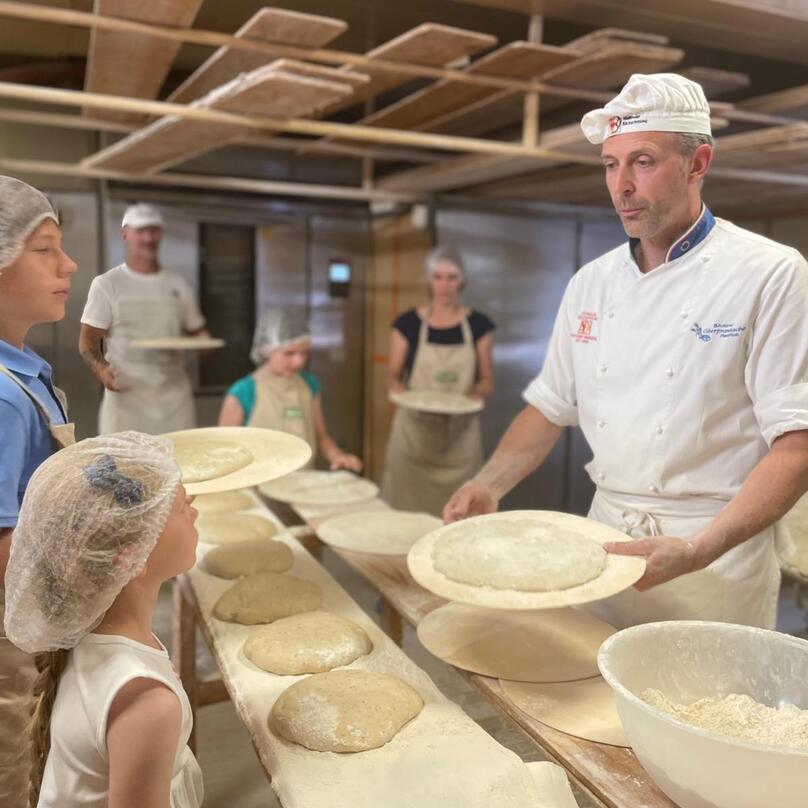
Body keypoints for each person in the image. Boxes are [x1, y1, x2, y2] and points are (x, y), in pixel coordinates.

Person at [444, 73, 808, 630]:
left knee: (698, 709)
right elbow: (548, 408)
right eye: (611, 166)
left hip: (712, 565)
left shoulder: (770, 273)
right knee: (589, 708)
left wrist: (700, 548)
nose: (622, 187)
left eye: (642, 161)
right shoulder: (590, 283)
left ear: (698, 162)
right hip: (605, 545)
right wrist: (487, 484)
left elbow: (796, 446)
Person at [4, 432, 204, 808]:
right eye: (178, 508)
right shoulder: (147, 703)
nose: (194, 509)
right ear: (132, 559)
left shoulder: (88, 639)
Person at [0, 176, 78, 807]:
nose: (68, 264)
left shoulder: (25, 371)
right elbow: (3, 547)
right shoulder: (2, 395)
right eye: (45, 248)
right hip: (11, 643)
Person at [381, 247, 495, 517]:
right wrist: (394, 386)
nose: (445, 285)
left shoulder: (479, 325)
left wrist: (479, 393)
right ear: (429, 280)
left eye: (452, 277)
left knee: (458, 521)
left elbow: (488, 380)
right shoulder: (407, 324)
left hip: (459, 441)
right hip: (413, 439)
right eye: (438, 277)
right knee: (405, 520)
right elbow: (391, 375)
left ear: (462, 281)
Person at [79, 203, 211, 435]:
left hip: (173, 397)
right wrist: (102, 371)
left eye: (154, 231)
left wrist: (205, 344)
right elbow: (87, 342)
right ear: (125, 234)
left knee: (180, 463)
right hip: (127, 397)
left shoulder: (178, 284)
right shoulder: (107, 284)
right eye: (141, 231)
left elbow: (197, 331)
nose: (148, 238)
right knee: (124, 467)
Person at [218, 308, 362, 471]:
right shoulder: (243, 392)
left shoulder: (310, 385)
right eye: (289, 353)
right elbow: (224, 454)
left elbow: (321, 436)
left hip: (302, 485)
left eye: (304, 353)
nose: (298, 362)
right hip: (258, 490)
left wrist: (337, 455)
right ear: (267, 349)